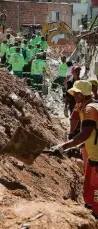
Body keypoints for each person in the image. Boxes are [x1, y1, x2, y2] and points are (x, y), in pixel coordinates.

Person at [51, 80, 98, 218]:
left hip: (97, 158)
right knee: (89, 190)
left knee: (95, 193)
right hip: (93, 157)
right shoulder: (88, 106)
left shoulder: (90, 109)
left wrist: (64, 146)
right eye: (74, 93)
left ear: (85, 94)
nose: (75, 95)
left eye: (78, 93)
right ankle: (91, 211)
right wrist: (77, 144)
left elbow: (85, 133)